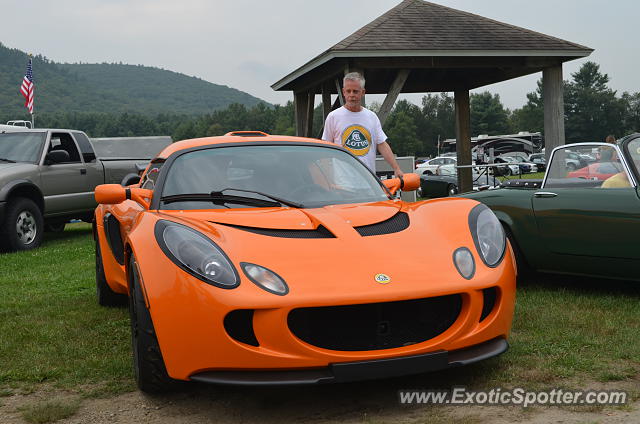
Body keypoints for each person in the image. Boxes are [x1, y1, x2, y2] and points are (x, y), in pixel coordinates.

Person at [322, 72, 403, 178]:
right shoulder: (333, 117)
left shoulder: (372, 117)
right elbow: (325, 150)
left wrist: (396, 168)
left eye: (355, 91)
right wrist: (327, 180)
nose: (351, 95)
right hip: (342, 183)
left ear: (363, 92)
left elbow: (382, 144)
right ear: (343, 92)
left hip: (369, 181)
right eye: (348, 91)